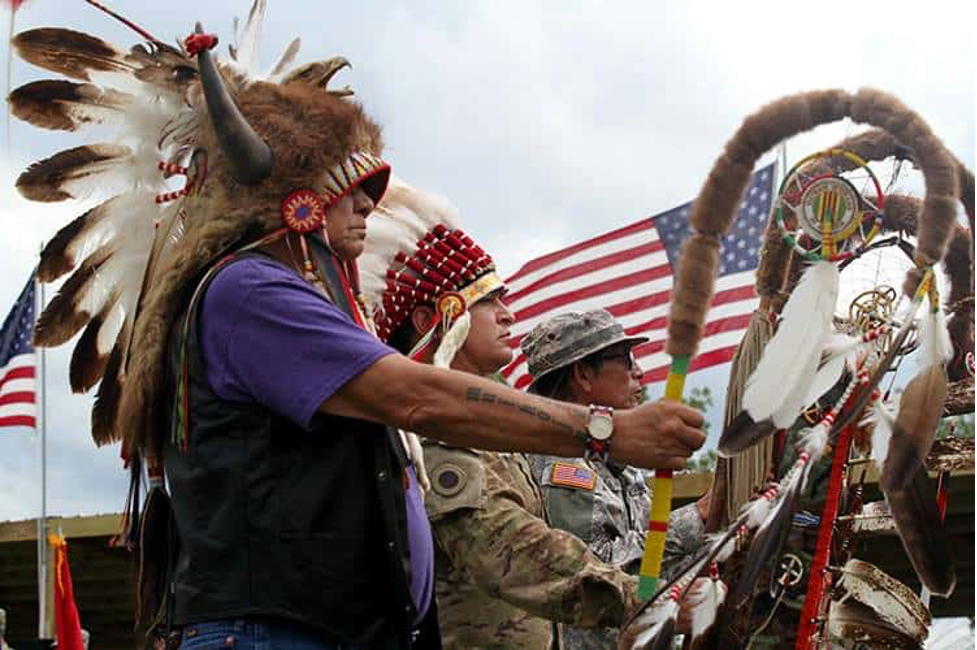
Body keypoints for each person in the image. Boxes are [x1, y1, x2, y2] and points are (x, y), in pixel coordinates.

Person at [16, 7, 706, 648]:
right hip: (275, 634)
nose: (371, 204)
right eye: (351, 187)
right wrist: (602, 430)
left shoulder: (282, 296)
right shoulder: (250, 291)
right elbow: (416, 397)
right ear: (288, 198)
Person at [357, 186, 710, 648]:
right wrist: (644, 598)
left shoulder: (485, 430)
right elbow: (507, 551)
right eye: (487, 301)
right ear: (430, 319)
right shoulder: (430, 434)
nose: (507, 315)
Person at [523, 310, 712, 649]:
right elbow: (592, 572)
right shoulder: (562, 466)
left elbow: (647, 571)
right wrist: (694, 518)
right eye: (625, 360)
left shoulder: (617, 466)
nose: (638, 372)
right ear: (582, 374)